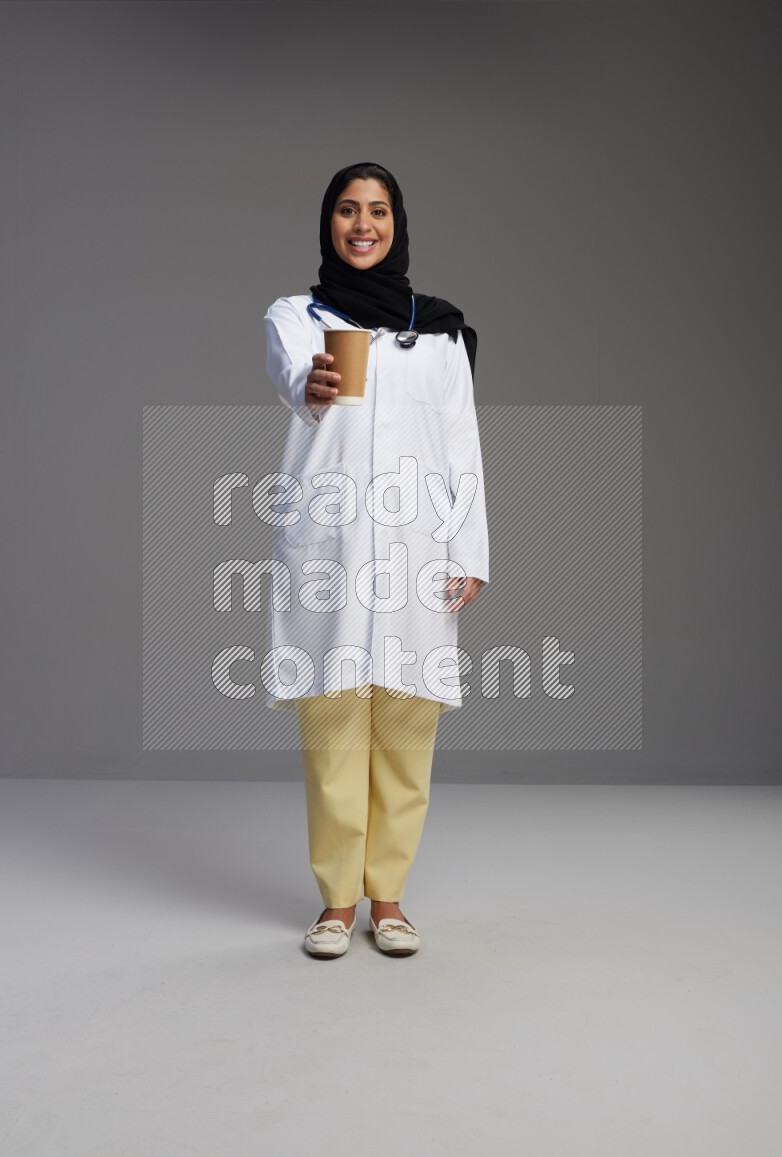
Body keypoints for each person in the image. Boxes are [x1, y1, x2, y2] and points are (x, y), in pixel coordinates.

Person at [263, 162, 489, 958]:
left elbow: (462, 444)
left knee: (403, 724)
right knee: (331, 726)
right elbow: (297, 377)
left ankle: (387, 898)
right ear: (328, 223)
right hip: (329, 545)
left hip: (414, 549)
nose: (363, 224)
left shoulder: (439, 331)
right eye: (349, 211)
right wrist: (316, 383)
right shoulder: (298, 314)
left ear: (398, 225)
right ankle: (334, 903)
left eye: (379, 211)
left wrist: (470, 548)